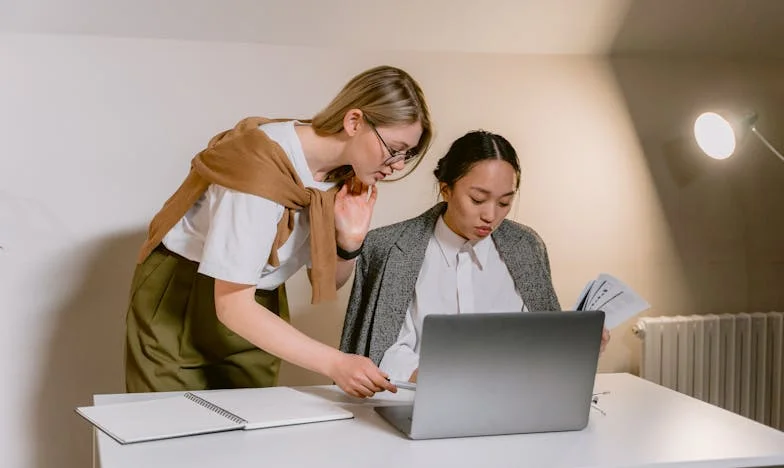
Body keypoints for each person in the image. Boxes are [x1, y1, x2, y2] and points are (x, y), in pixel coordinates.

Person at [125, 65, 433, 397]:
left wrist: (350, 241)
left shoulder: (344, 174)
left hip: (260, 301)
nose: (399, 164)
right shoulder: (259, 168)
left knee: (249, 430)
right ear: (354, 122)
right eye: (395, 148)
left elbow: (330, 281)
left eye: (408, 154)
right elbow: (231, 305)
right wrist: (336, 364)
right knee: (170, 430)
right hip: (185, 295)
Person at [340, 130, 610, 382]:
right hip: (417, 402)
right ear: (446, 189)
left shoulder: (526, 247)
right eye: (478, 199)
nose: (491, 216)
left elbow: (539, 339)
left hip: (514, 404)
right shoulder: (389, 248)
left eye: (505, 202)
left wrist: (577, 345)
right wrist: (444, 381)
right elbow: (381, 351)